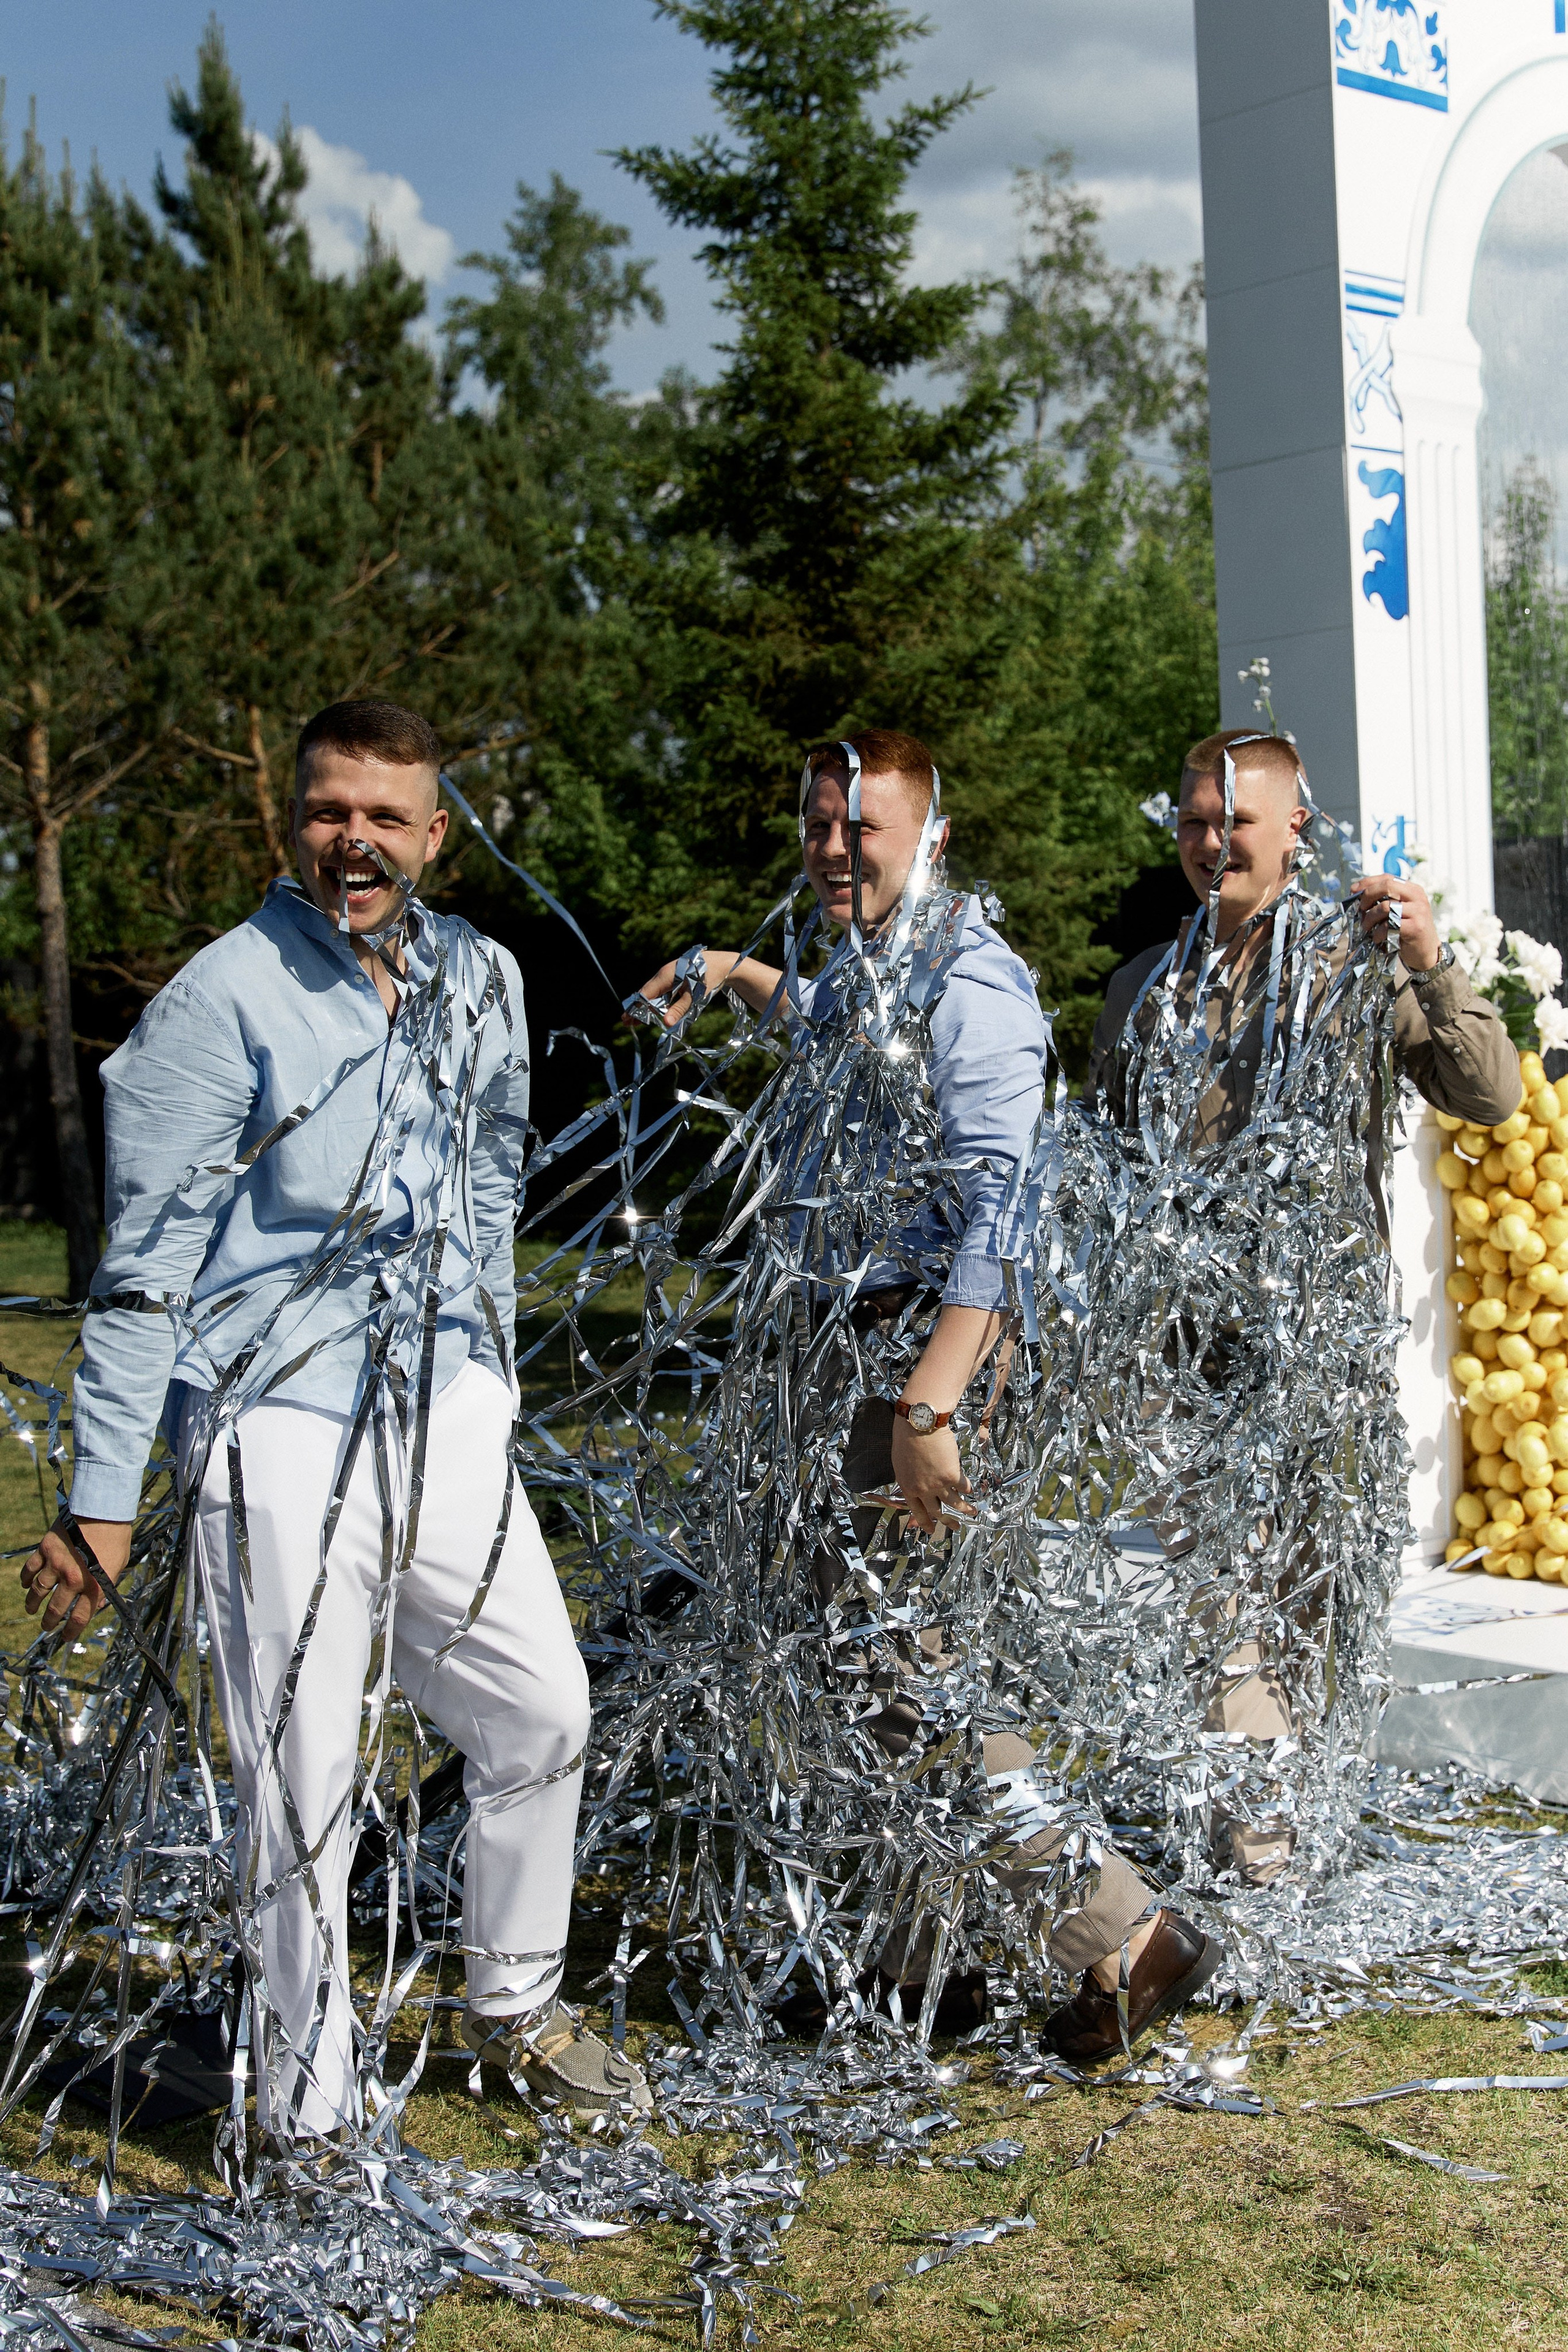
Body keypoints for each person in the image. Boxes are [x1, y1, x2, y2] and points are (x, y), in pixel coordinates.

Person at [19, 698, 649, 2136]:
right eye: (326, 810)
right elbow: (140, 1274)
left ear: (433, 833)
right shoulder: (216, 1000)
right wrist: (105, 1500)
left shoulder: (482, 977)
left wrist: (485, 1369)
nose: (351, 838)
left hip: (444, 1411)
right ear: (288, 818)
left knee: (541, 1707)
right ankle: (301, 2105)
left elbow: (490, 1178)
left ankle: (512, 2002)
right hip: (274, 1421)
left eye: (382, 815)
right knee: (303, 1772)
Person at [638, 729, 1222, 2054]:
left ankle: (1120, 1929)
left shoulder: (971, 983)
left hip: (922, 1362)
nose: (835, 848)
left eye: (865, 829)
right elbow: (835, 1031)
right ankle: (921, 1962)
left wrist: (928, 1408)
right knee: (863, 1670)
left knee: (906, 1670)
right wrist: (732, 975)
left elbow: (1000, 1210)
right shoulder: (877, 968)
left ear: (931, 836)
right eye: (819, 826)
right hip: (860, 1355)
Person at [1067, 725, 1520, 1920]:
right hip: (1187, 1350)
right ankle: (1255, 1867)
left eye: (1234, 822)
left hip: (1317, 1347)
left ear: (1293, 832)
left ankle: (1293, 1829)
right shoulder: (1138, 990)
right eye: (1193, 820)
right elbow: (1103, 1167)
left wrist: (1426, 962)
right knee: (1218, 1603)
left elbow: (1486, 1092)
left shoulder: (1349, 971)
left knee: (1316, 1602)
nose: (1210, 841)